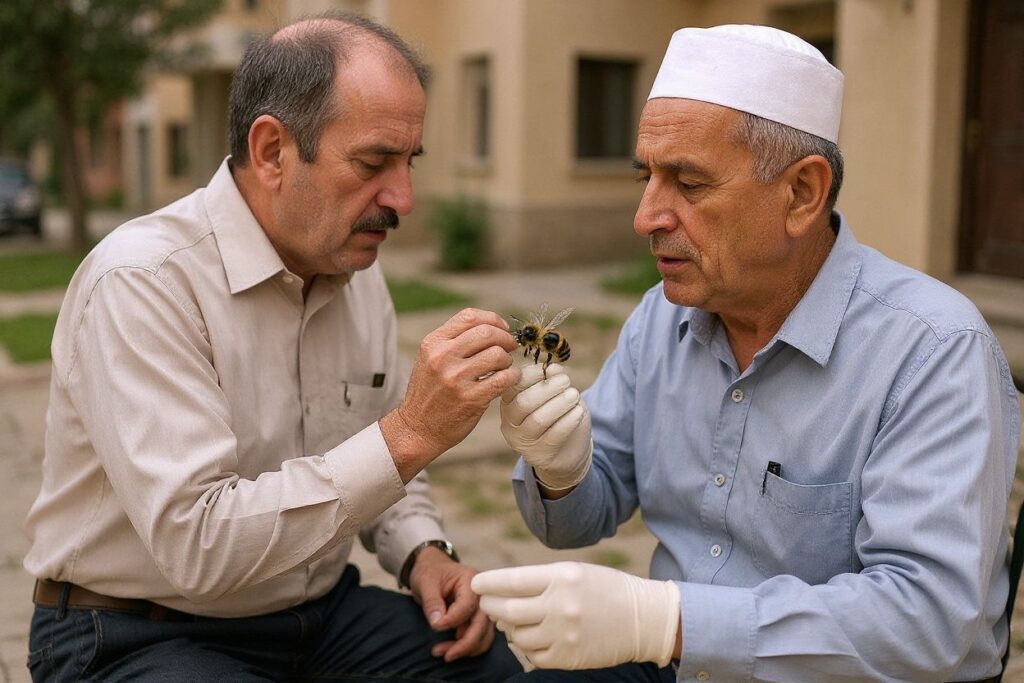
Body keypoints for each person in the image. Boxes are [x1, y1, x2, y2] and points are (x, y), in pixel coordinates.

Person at [472, 24, 1021, 682]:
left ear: (802, 194)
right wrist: (560, 468)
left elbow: (928, 621)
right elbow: (575, 522)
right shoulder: (662, 319)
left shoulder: (933, 351)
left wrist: (665, 620)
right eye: (646, 175)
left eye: (689, 183)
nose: (647, 215)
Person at [23, 12, 523, 681]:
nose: (401, 197)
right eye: (374, 162)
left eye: (409, 162)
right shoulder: (142, 281)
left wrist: (423, 551)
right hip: (134, 628)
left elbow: (369, 453)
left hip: (314, 616)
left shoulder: (354, 269)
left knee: (485, 662)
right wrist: (411, 432)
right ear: (271, 151)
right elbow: (200, 545)